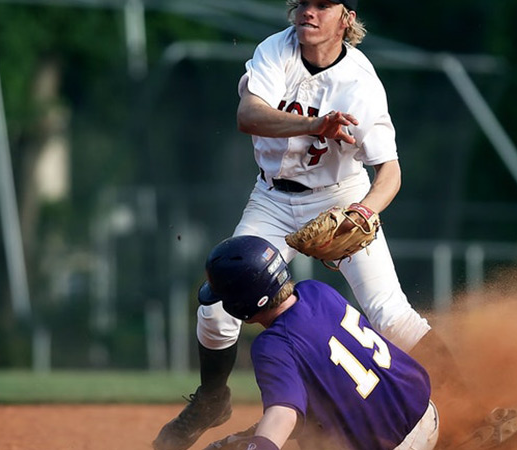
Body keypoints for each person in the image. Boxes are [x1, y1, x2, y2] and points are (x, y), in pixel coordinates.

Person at [154, 0, 465, 448]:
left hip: (339, 198)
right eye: (303, 3)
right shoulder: (275, 51)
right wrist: (318, 124)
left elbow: (390, 173)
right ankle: (211, 397)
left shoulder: (361, 84)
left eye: (323, 5)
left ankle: (476, 406)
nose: (309, 12)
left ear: (348, 18)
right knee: (218, 303)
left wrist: (363, 212)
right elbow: (248, 116)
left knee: (390, 314)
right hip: (272, 200)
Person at [196, 235, 440, 450]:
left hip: (393, 445)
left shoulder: (271, 345)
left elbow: (284, 413)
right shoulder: (316, 290)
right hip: (428, 415)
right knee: (314, 421)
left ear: (240, 307)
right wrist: (252, 435)